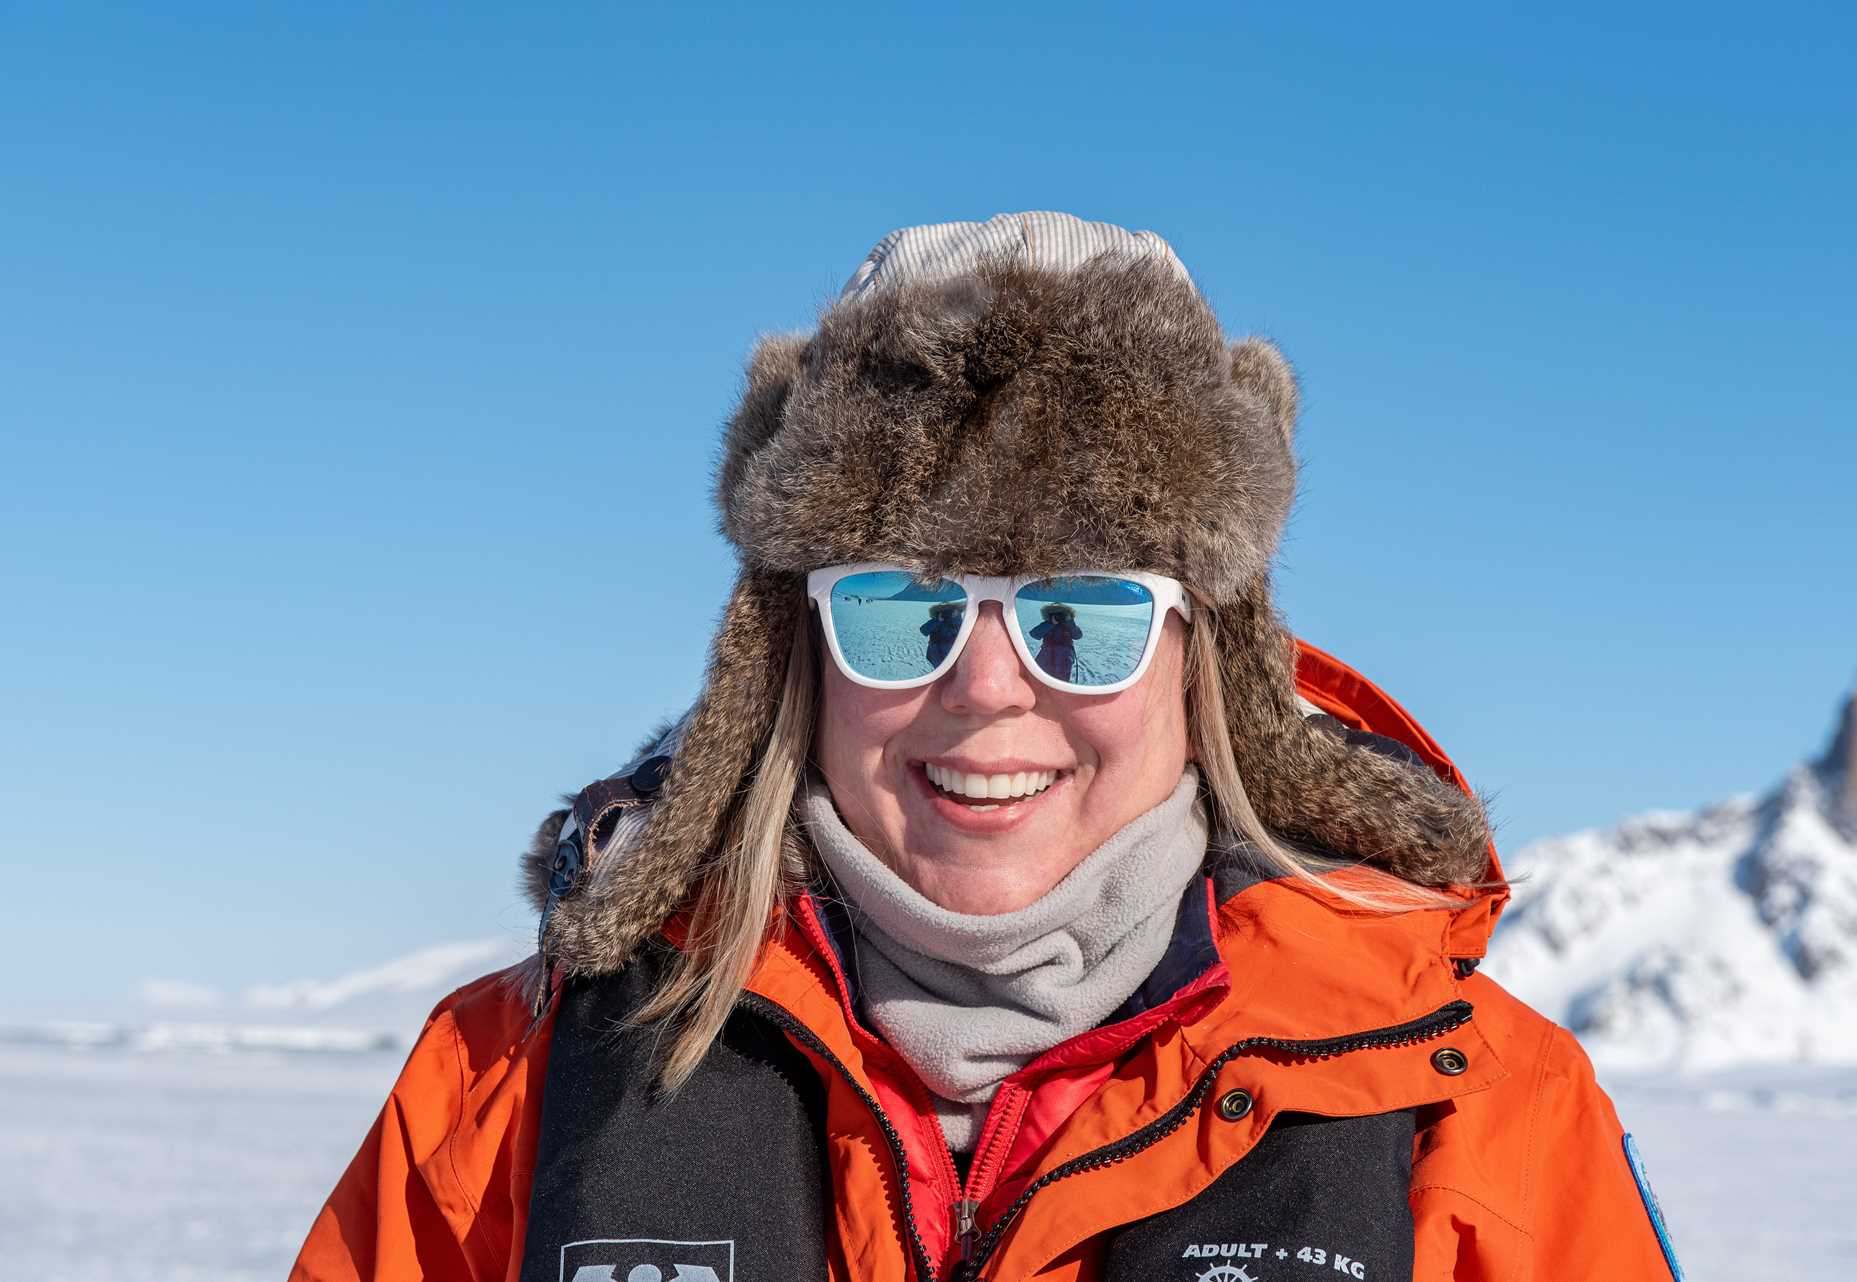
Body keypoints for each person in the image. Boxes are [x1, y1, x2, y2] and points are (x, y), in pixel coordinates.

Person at [290, 212, 1685, 1282]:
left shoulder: (1472, 1107)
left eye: (1087, 612)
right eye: (902, 610)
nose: (989, 687)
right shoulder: (505, 1085)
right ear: (789, 658)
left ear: (1210, 653)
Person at [1028, 602, 1081, 682]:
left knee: (1061, 682)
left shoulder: (1069, 625)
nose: (1058, 617)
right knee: (1040, 679)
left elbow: (1078, 636)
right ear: (1050, 615)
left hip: (1064, 657)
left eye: (1061, 615)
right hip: (1047, 655)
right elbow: (1034, 634)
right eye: (1055, 614)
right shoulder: (1047, 624)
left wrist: (1070, 622)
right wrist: (1050, 623)